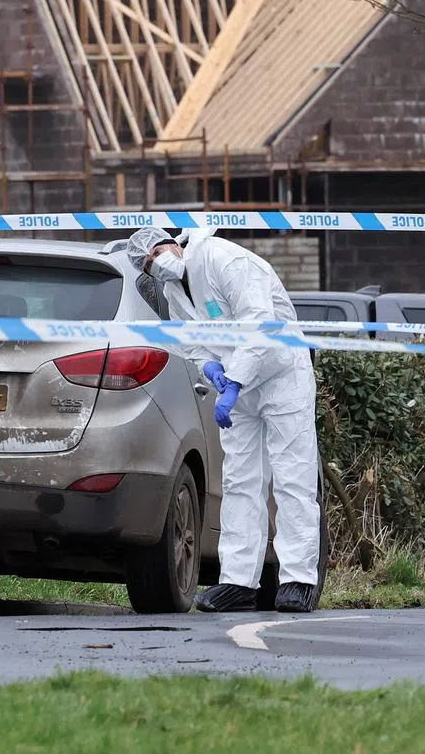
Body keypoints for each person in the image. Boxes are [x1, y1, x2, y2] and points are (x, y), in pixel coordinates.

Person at [125, 226, 320, 613]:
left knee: (292, 476)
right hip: (238, 384)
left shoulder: (222, 259)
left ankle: (299, 579)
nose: (157, 266)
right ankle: (238, 581)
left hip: (283, 375)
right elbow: (192, 339)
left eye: (156, 254)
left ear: (172, 243)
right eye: (148, 266)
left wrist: (233, 381)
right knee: (240, 480)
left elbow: (261, 323)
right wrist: (211, 368)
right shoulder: (172, 291)